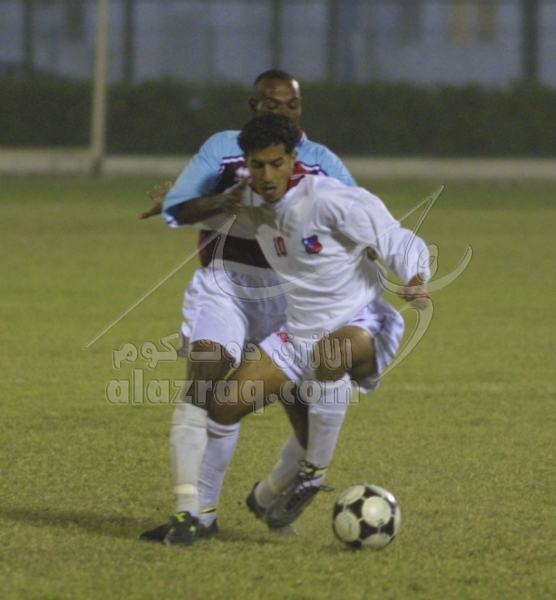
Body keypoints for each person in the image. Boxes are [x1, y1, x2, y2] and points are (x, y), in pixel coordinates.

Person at [155, 112, 432, 546]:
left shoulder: (329, 198)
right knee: (223, 407)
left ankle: (313, 474)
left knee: (331, 354)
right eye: (258, 165)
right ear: (247, 164)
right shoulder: (250, 200)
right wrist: (176, 205)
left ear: (292, 160)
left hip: (360, 320)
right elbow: (214, 218)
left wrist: (415, 277)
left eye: (277, 163)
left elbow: (394, 237)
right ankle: (209, 516)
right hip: (299, 332)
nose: (268, 175)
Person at [139, 70, 357, 543]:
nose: (284, 112)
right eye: (273, 104)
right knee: (204, 379)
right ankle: (192, 514)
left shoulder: (321, 162)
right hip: (225, 285)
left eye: (292, 104)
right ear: (253, 106)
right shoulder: (223, 149)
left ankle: (267, 495)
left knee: (309, 421)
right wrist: (218, 201)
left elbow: (357, 218)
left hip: (290, 299)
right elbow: (182, 206)